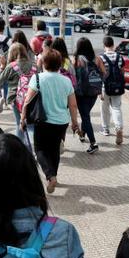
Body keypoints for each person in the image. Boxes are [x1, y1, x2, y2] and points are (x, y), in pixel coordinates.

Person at [20, 49, 80, 194]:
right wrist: (74, 122)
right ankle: (54, 176)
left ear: (44, 63)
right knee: (54, 150)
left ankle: (50, 176)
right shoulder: (66, 80)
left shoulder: (38, 78)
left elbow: (27, 101)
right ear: (59, 64)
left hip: (43, 121)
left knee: (40, 149)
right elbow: (72, 104)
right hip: (61, 122)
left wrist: (22, 118)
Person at [0, 42, 37, 141]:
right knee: (31, 123)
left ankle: (21, 148)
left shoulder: (11, 66)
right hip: (32, 98)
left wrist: (2, 66)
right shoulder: (34, 65)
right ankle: (35, 146)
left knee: (19, 122)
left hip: (15, 99)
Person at [73, 37, 105, 154]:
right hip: (93, 92)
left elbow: (72, 75)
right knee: (85, 114)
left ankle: (93, 143)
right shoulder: (97, 59)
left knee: (85, 116)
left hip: (81, 92)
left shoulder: (77, 60)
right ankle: (83, 135)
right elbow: (104, 72)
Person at [99, 36, 124, 144]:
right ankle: (118, 128)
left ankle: (106, 129)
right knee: (116, 108)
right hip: (117, 87)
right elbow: (122, 72)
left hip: (105, 87)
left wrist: (99, 90)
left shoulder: (101, 57)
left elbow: (99, 74)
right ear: (113, 45)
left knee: (104, 109)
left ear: (104, 46)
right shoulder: (119, 57)